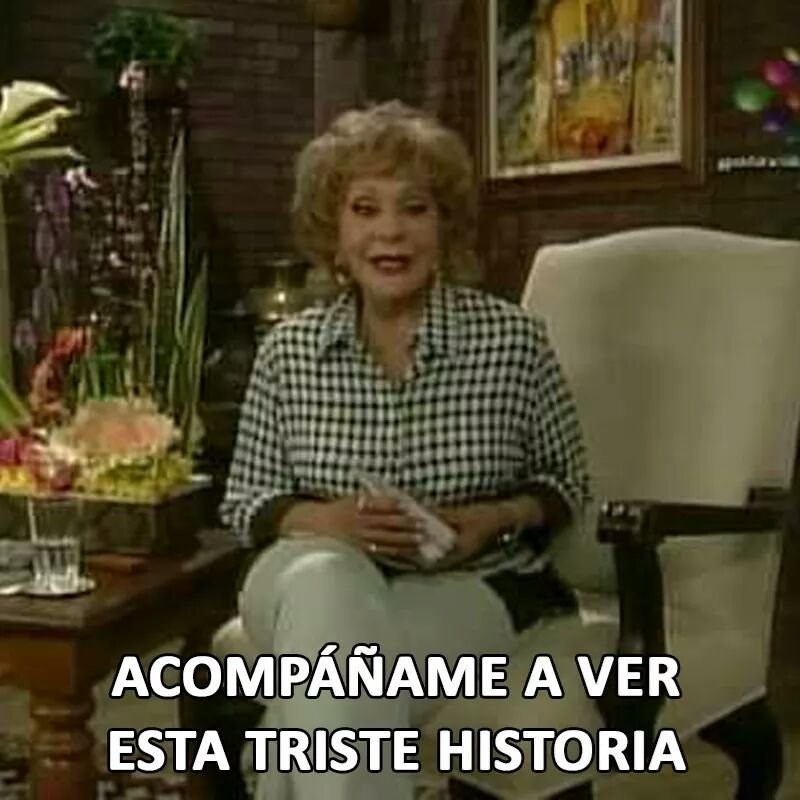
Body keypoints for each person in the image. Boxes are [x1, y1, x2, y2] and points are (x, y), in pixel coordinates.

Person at [220, 100, 590, 800]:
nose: (390, 231)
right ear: (334, 233)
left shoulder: (513, 341)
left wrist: (495, 518)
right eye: (365, 209)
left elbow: (565, 481)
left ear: (444, 227)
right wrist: (327, 522)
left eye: (414, 208)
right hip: (304, 576)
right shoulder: (288, 351)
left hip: (472, 586)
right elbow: (246, 502)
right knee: (327, 585)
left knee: (327, 693)